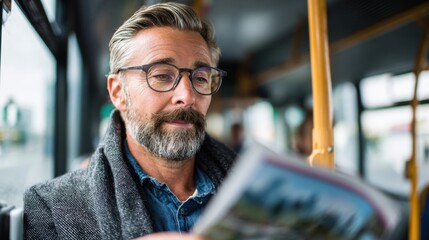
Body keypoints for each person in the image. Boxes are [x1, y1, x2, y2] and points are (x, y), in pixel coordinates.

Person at [23, 2, 236, 239]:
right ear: (117, 92)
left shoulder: (257, 190)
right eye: (162, 76)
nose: (187, 96)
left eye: (201, 78)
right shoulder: (53, 206)